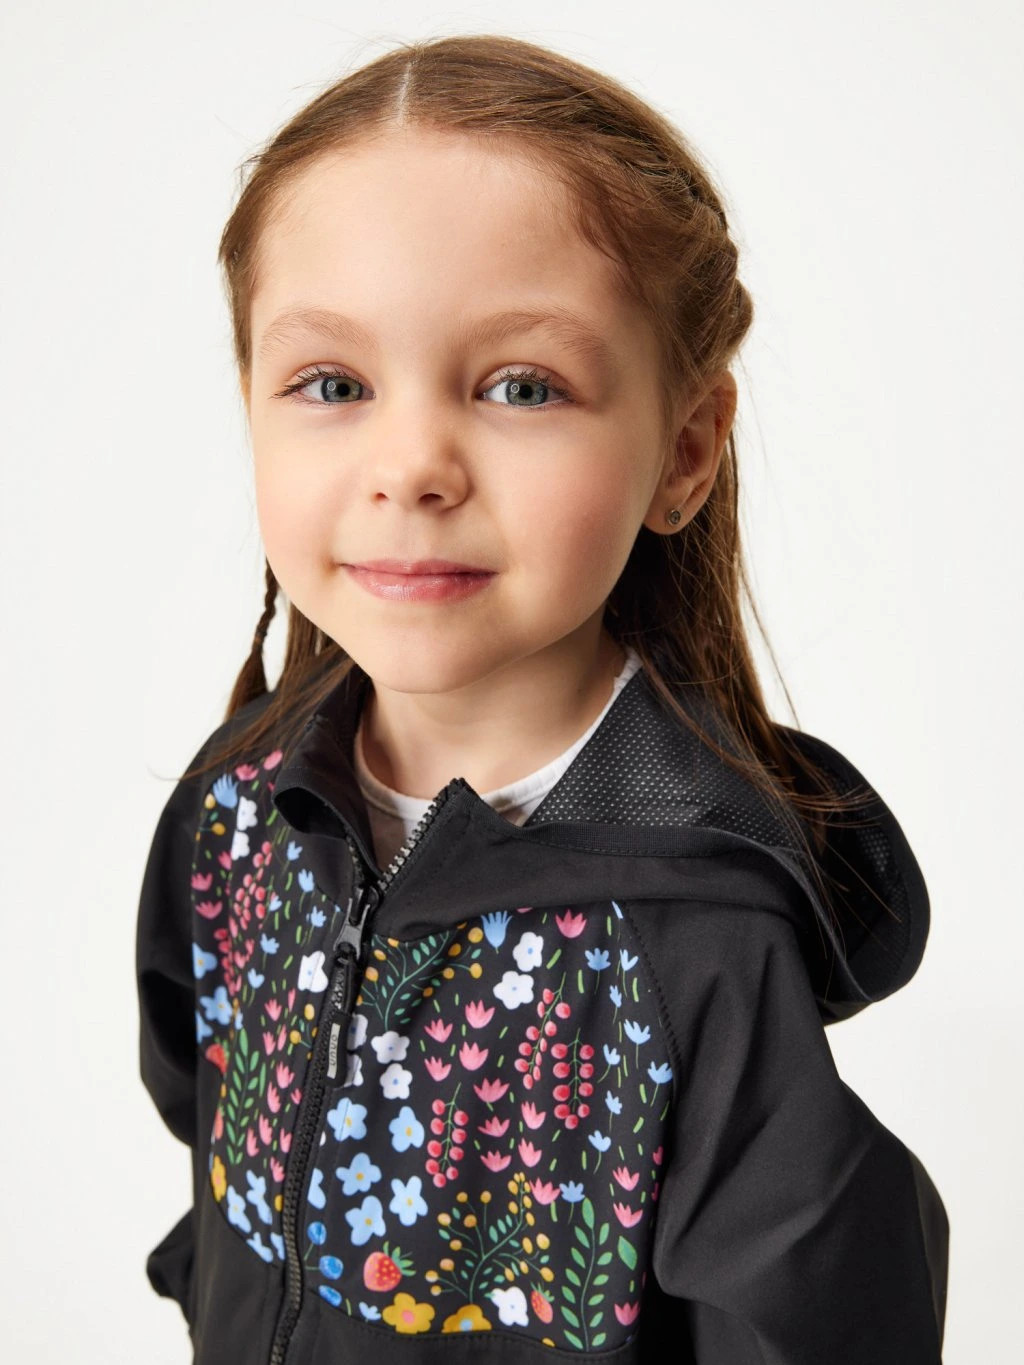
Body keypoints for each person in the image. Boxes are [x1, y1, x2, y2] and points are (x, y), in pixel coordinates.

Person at [135, 32, 949, 1365]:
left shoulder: (697, 937)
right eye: (333, 384)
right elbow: (211, 1144)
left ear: (683, 450)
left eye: (522, 386)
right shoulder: (234, 812)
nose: (412, 464)